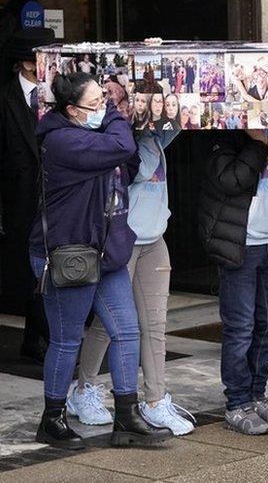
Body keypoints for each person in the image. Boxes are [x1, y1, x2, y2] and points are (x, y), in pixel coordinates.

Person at [29, 72, 171, 449]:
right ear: (73, 110)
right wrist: (114, 116)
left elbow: (131, 162)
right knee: (67, 338)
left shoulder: (92, 134)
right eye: (96, 104)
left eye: (105, 102)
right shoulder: (61, 140)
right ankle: (52, 418)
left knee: (126, 330)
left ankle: (127, 415)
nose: (104, 109)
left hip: (105, 250)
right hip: (68, 252)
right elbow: (122, 147)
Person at [70, 106, 194, 436]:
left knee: (155, 323)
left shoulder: (156, 135)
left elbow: (184, 117)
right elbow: (130, 170)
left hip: (154, 238)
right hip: (124, 241)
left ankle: (155, 401)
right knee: (108, 323)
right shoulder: (119, 142)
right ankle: (83, 391)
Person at [198, 126, 268, 435]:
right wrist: (258, 145)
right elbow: (231, 180)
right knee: (240, 327)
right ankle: (236, 403)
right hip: (239, 247)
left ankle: (256, 395)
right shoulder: (220, 136)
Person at [0, 27, 54, 365]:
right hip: (17, 198)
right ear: (26, 63)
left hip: (55, 194)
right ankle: (34, 336)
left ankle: (40, 336)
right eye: (40, 58)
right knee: (25, 268)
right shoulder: (5, 99)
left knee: (50, 264)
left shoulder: (58, 95)